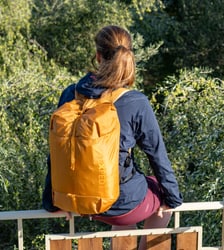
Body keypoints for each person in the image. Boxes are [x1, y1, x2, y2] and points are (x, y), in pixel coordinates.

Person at [42, 25, 183, 249]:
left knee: (125, 189)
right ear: (128, 55)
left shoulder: (71, 94)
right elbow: (157, 155)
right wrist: (173, 201)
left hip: (77, 200)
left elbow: (57, 152)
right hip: (121, 206)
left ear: (98, 56)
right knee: (155, 185)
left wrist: (52, 201)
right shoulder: (136, 101)